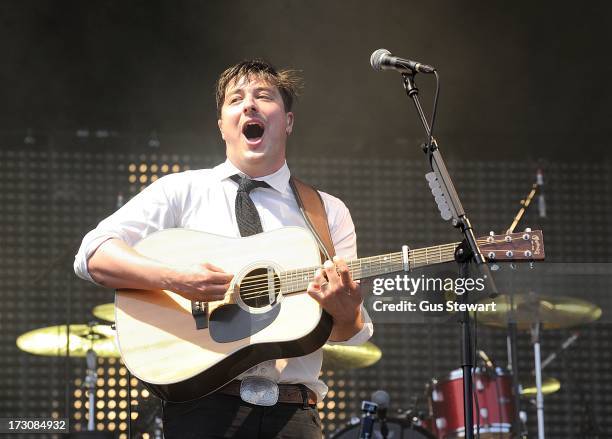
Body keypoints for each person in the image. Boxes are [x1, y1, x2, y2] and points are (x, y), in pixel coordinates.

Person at [74, 59, 373, 439]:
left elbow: (347, 331)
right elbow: (92, 253)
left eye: (263, 96)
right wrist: (177, 279)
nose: (249, 105)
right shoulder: (180, 191)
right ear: (222, 126)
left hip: (293, 414)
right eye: (236, 99)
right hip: (203, 409)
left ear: (289, 121)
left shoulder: (327, 211)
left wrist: (345, 312)